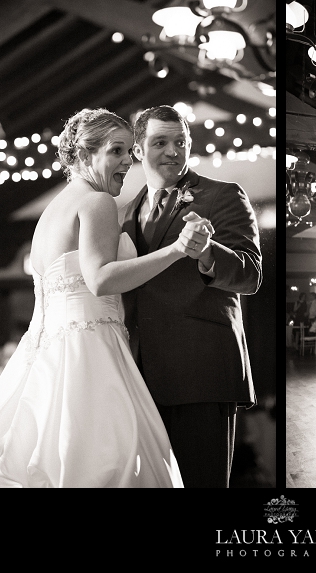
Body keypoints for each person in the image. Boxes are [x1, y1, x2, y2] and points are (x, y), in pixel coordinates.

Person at [0, 108, 188, 488]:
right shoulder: (97, 203)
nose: (128, 160)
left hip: (44, 355)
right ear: (84, 155)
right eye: (117, 151)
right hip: (90, 352)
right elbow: (100, 280)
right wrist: (177, 250)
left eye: (129, 151)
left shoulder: (50, 212)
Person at [120, 105, 262, 488]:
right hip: (140, 376)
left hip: (202, 371)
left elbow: (251, 273)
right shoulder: (128, 210)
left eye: (180, 141)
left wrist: (207, 253)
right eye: (160, 142)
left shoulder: (223, 195)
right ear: (137, 150)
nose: (172, 151)